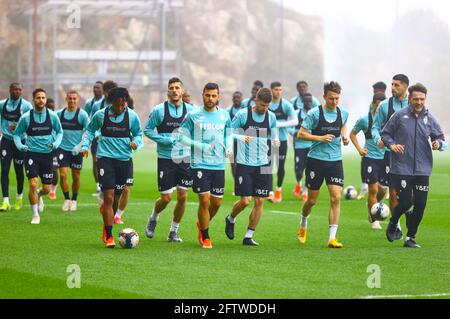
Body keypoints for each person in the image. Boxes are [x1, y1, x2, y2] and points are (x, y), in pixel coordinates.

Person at [382, 83, 447, 248]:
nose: (419, 102)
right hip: (401, 167)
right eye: (416, 99)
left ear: (425, 99)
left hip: (422, 168)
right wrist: (391, 145)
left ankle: (410, 237)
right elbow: (385, 134)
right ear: (410, 99)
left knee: (421, 204)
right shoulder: (399, 116)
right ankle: (393, 221)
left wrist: (438, 143)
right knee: (405, 203)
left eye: (422, 99)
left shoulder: (429, 118)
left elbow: (440, 137)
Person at [80, 87, 143, 248]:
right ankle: (108, 235)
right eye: (117, 105)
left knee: (116, 198)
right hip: (105, 160)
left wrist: (136, 143)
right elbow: (90, 130)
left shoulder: (132, 116)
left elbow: (138, 134)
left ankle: (106, 223)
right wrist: (85, 146)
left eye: (123, 105)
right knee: (108, 197)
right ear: (111, 103)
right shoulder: (100, 115)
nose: (120, 108)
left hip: (124, 160)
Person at [179, 82, 232, 249]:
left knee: (216, 203)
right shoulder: (193, 115)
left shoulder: (224, 115)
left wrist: (228, 147)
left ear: (219, 97)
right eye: (207, 95)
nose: (210, 99)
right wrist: (199, 145)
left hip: (218, 164)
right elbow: (181, 137)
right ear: (202, 95)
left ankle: (202, 223)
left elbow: (227, 135)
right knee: (204, 200)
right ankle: (206, 236)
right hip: (199, 164)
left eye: (214, 96)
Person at [297, 81, 349, 248]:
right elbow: (301, 134)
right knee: (312, 201)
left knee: (336, 197)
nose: (334, 102)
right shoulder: (314, 113)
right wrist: (319, 138)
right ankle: (303, 221)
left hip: (335, 161)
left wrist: (345, 136)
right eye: (331, 98)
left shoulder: (343, 113)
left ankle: (332, 238)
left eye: (337, 98)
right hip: (316, 161)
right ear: (324, 97)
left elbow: (343, 125)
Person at [144, 77, 196, 242]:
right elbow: (148, 130)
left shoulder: (192, 111)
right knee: (166, 198)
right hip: (166, 158)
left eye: (177, 88)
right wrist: (164, 140)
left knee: (183, 196)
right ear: (168, 91)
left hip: (184, 158)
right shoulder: (159, 110)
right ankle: (154, 217)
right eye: (171, 88)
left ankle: (173, 231)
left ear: (182, 91)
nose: (174, 90)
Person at [225, 87, 279, 246]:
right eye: (262, 105)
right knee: (246, 201)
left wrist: (276, 141)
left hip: (264, 163)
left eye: (268, 106)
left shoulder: (271, 117)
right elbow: (229, 132)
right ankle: (230, 218)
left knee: (260, 201)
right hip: (244, 163)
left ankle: (248, 236)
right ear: (256, 100)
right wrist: (241, 138)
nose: (265, 109)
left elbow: (274, 135)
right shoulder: (243, 114)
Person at [13, 88, 63, 224]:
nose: (41, 100)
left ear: (45, 100)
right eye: (38, 98)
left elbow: (59, 132)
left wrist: (56, 143)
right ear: (33, 100)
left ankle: (39, 195)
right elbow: (16, 134)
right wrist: (20, 146)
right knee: (33, 184)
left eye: (43, 98)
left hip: (47, 155)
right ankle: (35, 215)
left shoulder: (52, 116)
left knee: (46, 189)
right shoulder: (26, 118)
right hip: (31, 155)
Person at [372, 74, 410, 237]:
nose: (393, 88)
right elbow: (374, 127)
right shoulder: (384, 106)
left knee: (412, 194)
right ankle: (397, 226)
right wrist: (378, 139)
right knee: (393, 191)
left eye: (396, 85)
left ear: (406, 86)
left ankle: (407, 210)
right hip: (390, 154)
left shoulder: (415, 103)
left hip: (411, 155)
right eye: (392, 84)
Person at [350, 92, 388, 230]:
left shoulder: (390, 119)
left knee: (383, 190)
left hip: (386, 157)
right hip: (370, 157)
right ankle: (374, 219)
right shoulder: (365, 119)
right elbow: (352, 134)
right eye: (377, 105)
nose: (379, 109)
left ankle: (372, 205)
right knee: (373, 188)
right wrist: (360, 149)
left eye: (382, 106)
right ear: (373, 104)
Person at [0, 83, 33, 211]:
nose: (18, 91)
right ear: (10, 90)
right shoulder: (2, 104)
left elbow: (30, 121)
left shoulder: (26, 106)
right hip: (6, 141)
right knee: (5, 170)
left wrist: (18, 127)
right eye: (15, 89)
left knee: (19, 171)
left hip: (20, 141)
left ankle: (19, 197)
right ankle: (5, 201)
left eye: (20, 89)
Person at [56, 91, 89, 212]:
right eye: (70, 98)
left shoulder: (82, 115)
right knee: (63, 174)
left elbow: (89, 131)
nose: (72, 101)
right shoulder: (60, 114)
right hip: (62, 149)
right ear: (66, 99)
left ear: (78, 100)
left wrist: (81, 146)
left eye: (74, 99)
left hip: (77, 150)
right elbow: (53, 127)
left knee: (76, 176)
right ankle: (66, 199)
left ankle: (74, 199)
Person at [267, 81, 298, 203]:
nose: (278, 92)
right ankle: (270, 192)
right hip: (268, 139)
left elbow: (295, 121)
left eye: (280, 89)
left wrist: (280, 124)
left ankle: (278, 190)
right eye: (275, 89)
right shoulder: (267, 104)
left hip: (282, 140)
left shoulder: (285, 104)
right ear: (271, 90)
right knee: (267, 166)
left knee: (280, 166)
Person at [357, 81, 388, 200]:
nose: (376, 92)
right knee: (364, 164)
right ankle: (365, 187)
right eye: (374, 91)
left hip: (385, 148)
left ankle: (387, 189)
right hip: (371, 147)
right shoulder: (373, 104)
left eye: (378, 90)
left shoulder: (387, 104)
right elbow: (370, 118)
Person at [89, 80, 118, 197]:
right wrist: (96, 134)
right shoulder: (96, 105)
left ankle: (112, 186)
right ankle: (99, 186)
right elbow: (91, 123)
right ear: (104, 92)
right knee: (97, 162)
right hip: (98, 140)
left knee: (114, 163)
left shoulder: (120, 104)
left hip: (114, 140)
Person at [290, 93, 313, 202]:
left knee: (309, 169)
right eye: (306, 101)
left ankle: (305, 190)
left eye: (310, 101)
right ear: (303, 102)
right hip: (299, 146)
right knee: (299, 170)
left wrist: (311, 134)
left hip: (311, 146)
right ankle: (298, 184)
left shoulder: (314, 114)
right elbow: (289, 127)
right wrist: (295, 133)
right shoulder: (297, 113)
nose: (308, 103)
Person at [226, 91, 244, 179]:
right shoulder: (228, 111)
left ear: (242, 99)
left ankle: (241, 182)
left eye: (238, 97)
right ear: (232, 99)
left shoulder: (245, 111)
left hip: (243, 141)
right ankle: (236, 183)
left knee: (242, 163)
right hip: (232, 141)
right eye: (235, 97)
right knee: (233, 163)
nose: (236, 99)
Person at [45, 98, 60, 200]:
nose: (51, 110)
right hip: (42, 148)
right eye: (49, 108)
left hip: (55, 148)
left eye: (52, 108)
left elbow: (61, 132)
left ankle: (53, 190)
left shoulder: (56, 117)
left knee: (54, 170)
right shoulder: (39, 117)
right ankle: (43, 188)